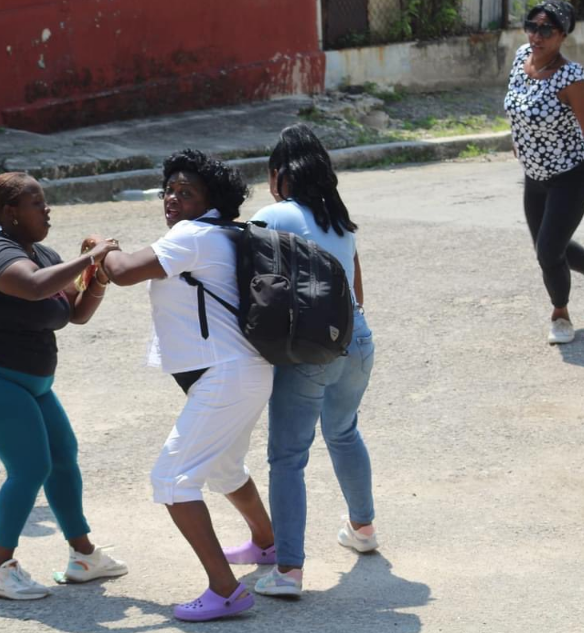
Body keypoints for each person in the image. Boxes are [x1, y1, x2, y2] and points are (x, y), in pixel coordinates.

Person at [101, 150, 274, 622]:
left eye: (185, 192)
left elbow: (121, 272)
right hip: (246, 372)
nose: (172, 198)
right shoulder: (222, 234)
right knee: (223, 468)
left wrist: (101, 247)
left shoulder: (193, 235)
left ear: (210, 200)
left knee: (173, 480)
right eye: (169, 190)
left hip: (226, 375)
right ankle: (266, 543)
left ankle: (227, 590)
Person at [0, 172, 128, 600]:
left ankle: (83, 556)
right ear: (11, 213)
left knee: (63, 457)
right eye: (37, 203)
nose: (47, 210)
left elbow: (76, 313)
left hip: (30, 379)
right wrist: (90, 257)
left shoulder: (43, 253)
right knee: (30, 468)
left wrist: (96, 274)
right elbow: (30, 287)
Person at [220, 124, 377, 597]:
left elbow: (250, 281)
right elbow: (356, 288)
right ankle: (363, 530)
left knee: (287, 457)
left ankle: (288, 571)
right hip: (358, 340)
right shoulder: (338, 221)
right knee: (344, 431)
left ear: (277, 174)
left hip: (310, 350)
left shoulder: (274, 214)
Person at [504, 0, 584, 345]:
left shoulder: (570, 76)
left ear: (562, 36)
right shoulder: (520, 58)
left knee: (547, 251)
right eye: (532, 26)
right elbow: (516, 104)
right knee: (549, 248)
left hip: (572, 175)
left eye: (546, 30)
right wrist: (520, 139)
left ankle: (560, 314)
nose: (536, 35)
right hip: (534, 174)